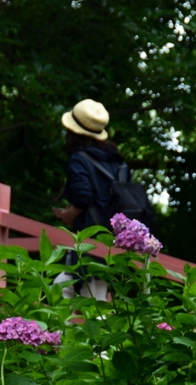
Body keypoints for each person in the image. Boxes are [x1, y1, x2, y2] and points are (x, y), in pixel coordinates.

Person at [52, 99, 123, 300]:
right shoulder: (114, 158)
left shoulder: (79, 157)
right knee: (67, 287)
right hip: (111, 236)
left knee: (84, 296)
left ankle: (65, 330)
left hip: (89, 238)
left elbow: (83, 196)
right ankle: (65, 330)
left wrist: (69, 214)